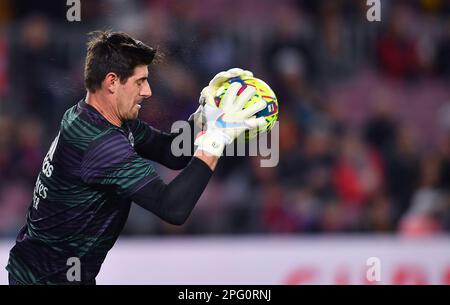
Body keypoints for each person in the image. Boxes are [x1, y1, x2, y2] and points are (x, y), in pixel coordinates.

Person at [5, 31, 266, 285]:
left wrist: (205, 115)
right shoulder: (101, 144)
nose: (148, 91)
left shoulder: (95, 117)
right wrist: (215, 140)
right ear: (112, 82)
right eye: (140, 81)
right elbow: (173, 208)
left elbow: (170, 152)